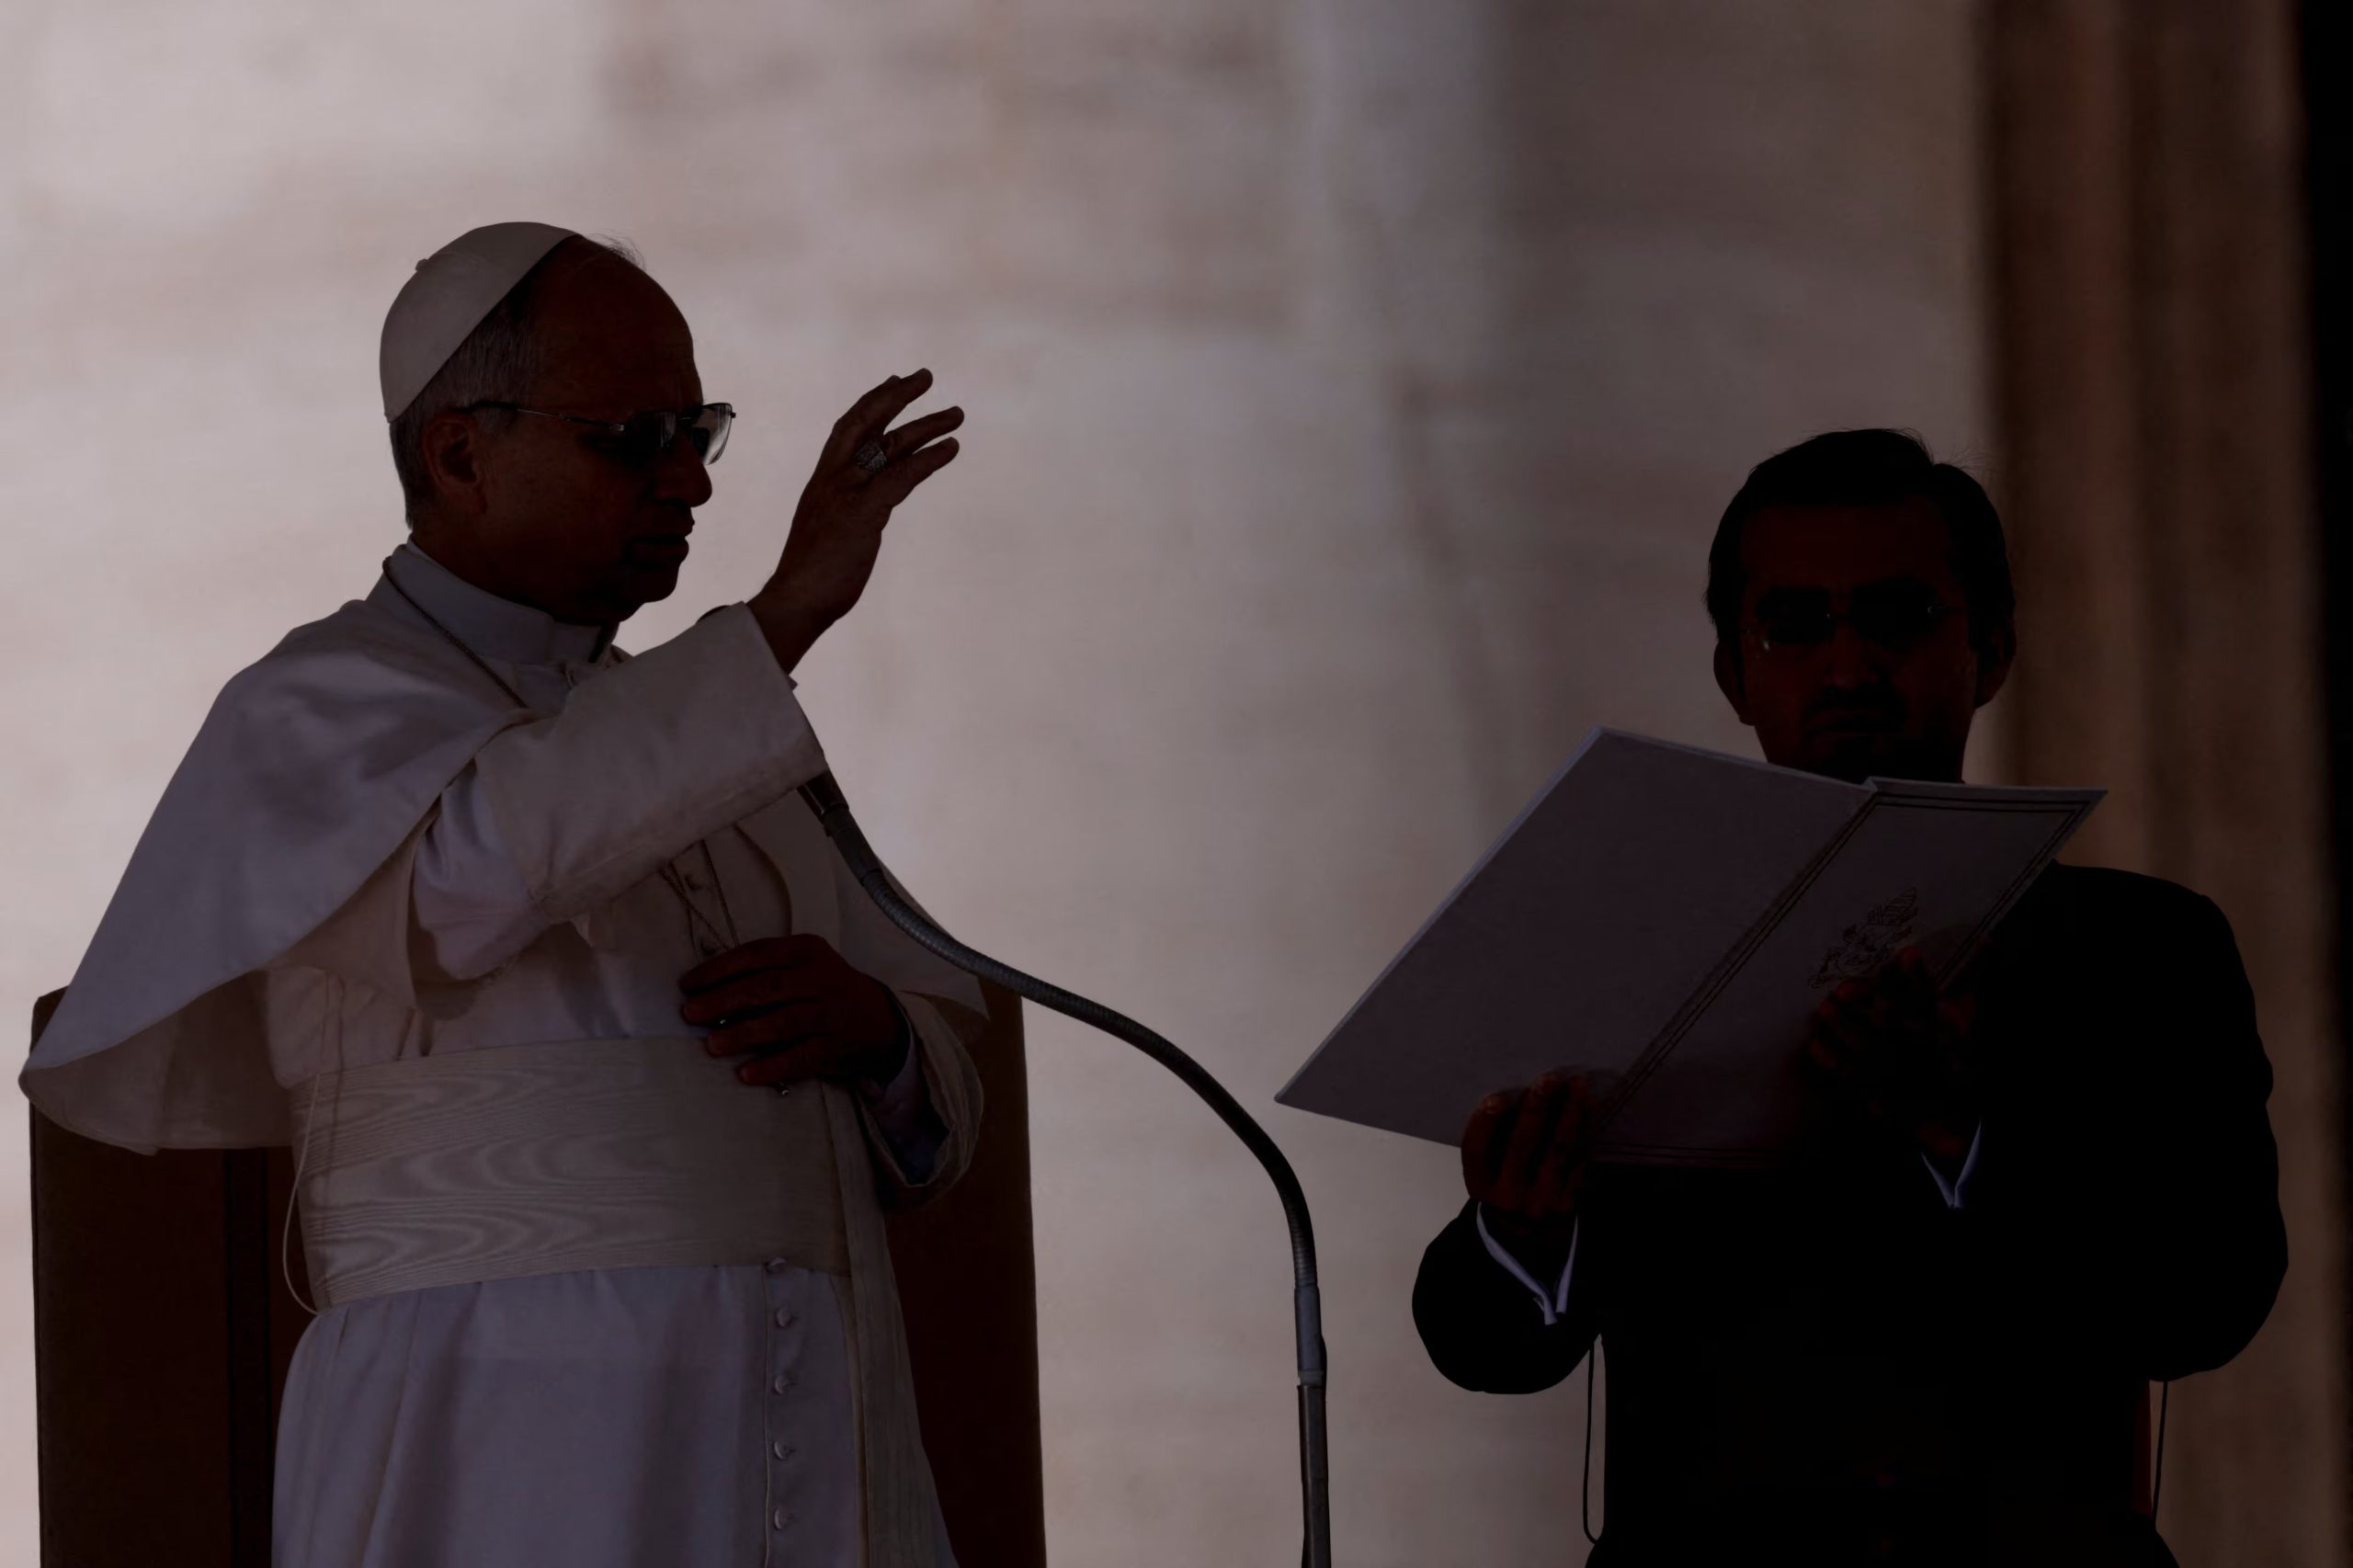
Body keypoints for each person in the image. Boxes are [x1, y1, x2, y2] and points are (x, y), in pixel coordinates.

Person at [22, 222, 990, 1566]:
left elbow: (944, 1083)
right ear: (460, 455)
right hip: (495, 1429)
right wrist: (780, 621)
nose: (690, 482)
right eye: (634, 437)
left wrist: (879, 1036)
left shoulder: (713, 736)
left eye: (698, 432)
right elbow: (465, 888)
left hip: (813, 1417)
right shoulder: (312, 705)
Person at [1410, 429, 2287, 1566]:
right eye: (1794, 625)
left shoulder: (2141, 949)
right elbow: (1483, 1346)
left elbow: (2208, 1299)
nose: (1846, 668)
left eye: (1897, 616)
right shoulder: (1637, 951)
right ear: (1734, 674)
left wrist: (1965, 1135)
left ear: (1992, 649)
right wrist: (1524, 1231)